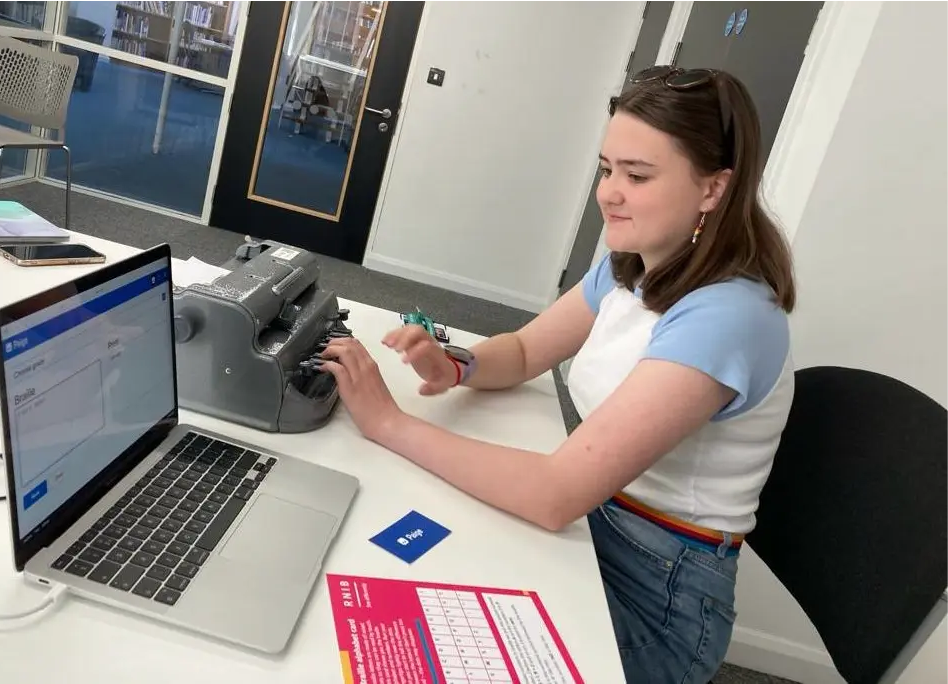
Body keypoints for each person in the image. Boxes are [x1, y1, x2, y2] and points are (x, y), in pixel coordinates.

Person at [319, 65, 796, 684]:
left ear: (713, 189)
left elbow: (553, 494)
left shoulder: (728, 315)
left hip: (659, 597)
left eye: (637, 175)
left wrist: (388, 422)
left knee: (415, 647)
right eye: (606, 169)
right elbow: (520, 352)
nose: (609, 193)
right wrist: (456, 362)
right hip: (598, 524)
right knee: (401, 568)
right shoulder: (637, 263)